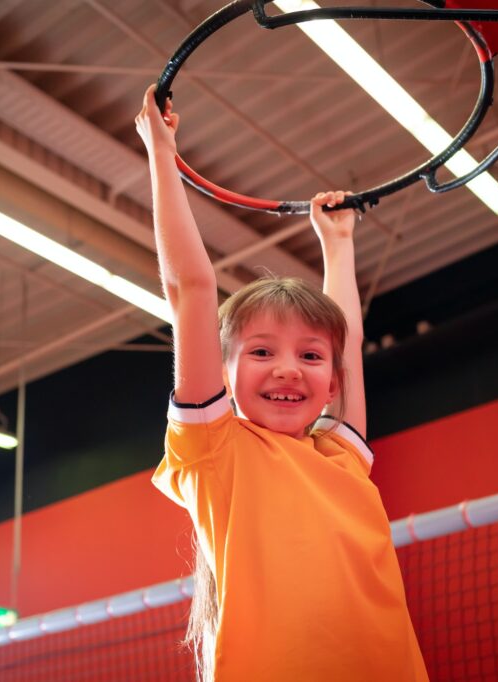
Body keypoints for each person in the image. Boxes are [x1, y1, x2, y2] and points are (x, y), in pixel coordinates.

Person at [136, 84, 428, 682]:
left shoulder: (342, 460)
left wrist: (339, 245)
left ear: (332, 381)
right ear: (223, 374)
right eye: (262, 351)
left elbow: (343, 340)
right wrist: (161, 158)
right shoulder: (217, 453)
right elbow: (190, 290)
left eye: (310, 357)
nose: (289, 368)